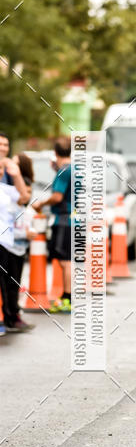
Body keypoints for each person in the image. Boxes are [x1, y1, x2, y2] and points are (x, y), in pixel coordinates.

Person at [31, 138, 72, 312]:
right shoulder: (73, 169)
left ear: (55, 153)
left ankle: (67, 299)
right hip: (73, 218)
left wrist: (40, 204)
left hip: (64, 219)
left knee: (65, 261)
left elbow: (57, 197)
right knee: (66, 260)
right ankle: (65, 297)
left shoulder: (64, 171)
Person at [0, 154, 35, 332]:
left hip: (9, 243)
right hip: (5, 243)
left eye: (1, 169)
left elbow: (24, 197)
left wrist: (16, 173)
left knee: (12, 283)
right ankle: (8, 317)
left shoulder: (6, 189)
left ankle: (12, 317)